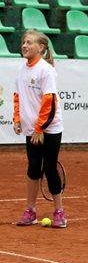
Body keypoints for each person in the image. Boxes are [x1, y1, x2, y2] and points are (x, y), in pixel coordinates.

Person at [13, 30, 67, 228]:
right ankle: (30, 210)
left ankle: (59, 211)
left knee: (49, 167)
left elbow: (49, 103)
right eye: (24, 42)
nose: (25, 46)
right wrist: (17, 119)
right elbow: (17, 95)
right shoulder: (21, 70)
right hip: (31, 129)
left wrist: (40, 129)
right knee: (33, 167)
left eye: (29, 43)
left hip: (49, 128)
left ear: (41, 48)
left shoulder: (46, 70)